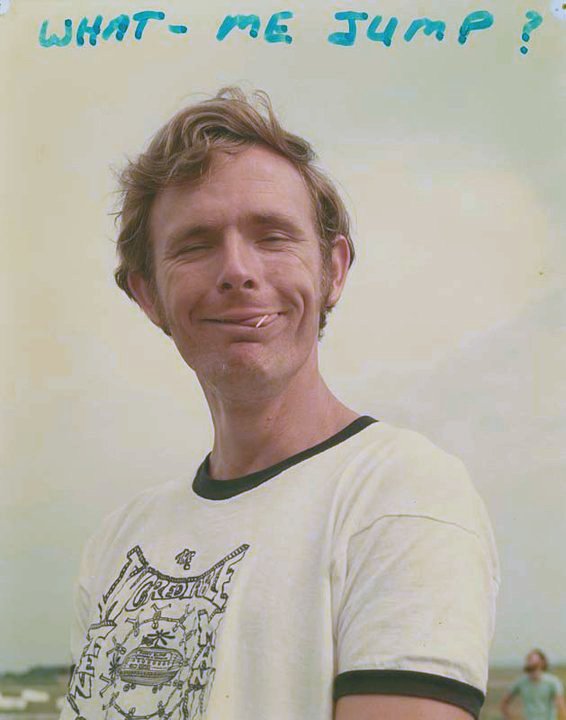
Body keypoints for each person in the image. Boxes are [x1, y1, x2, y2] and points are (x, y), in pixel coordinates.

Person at [61, 87, 499, 720]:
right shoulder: (118, 541)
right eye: (195, 244)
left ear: (333, 271)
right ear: (148, 294)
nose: (238, 271)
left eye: (272, 236)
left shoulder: (402, 494)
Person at [500, 649, 566, 720]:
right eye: (530, 661)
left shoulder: (553, 682)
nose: (533, 665)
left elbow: (561, 706)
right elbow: (504, 703)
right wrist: (510, 717)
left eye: (536, 664)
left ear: (542, 663)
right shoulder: (521, 683)